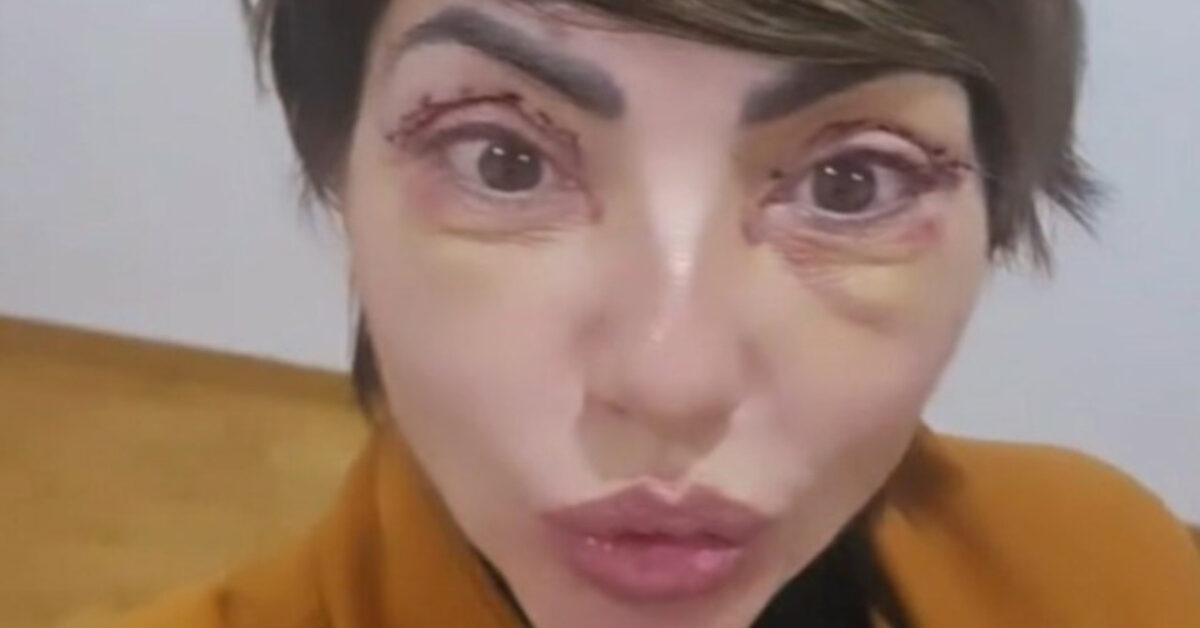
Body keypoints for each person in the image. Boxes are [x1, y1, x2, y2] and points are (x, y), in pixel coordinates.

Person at [120, 0, 1200, 626]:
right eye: (502, 162)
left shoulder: (1115, 574)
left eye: (851, 185)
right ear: (340, 189)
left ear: (996, 214)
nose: (671, 385)